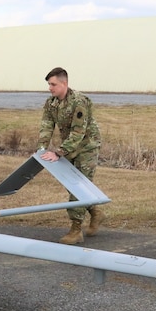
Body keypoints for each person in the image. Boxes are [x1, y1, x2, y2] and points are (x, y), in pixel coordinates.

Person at [38, 67, 104, 244]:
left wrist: (59, 152)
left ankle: (76, 230)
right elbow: (47, 125)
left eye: (53, 84)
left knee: (79, 185)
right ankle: (95, 211)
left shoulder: (80, 101)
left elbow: (78, 133)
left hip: (86, 147)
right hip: (70, 147)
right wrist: (42, 149)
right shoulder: (51, 103)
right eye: (49, 84)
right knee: (71, 183)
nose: (50, 88)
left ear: (64, 83)